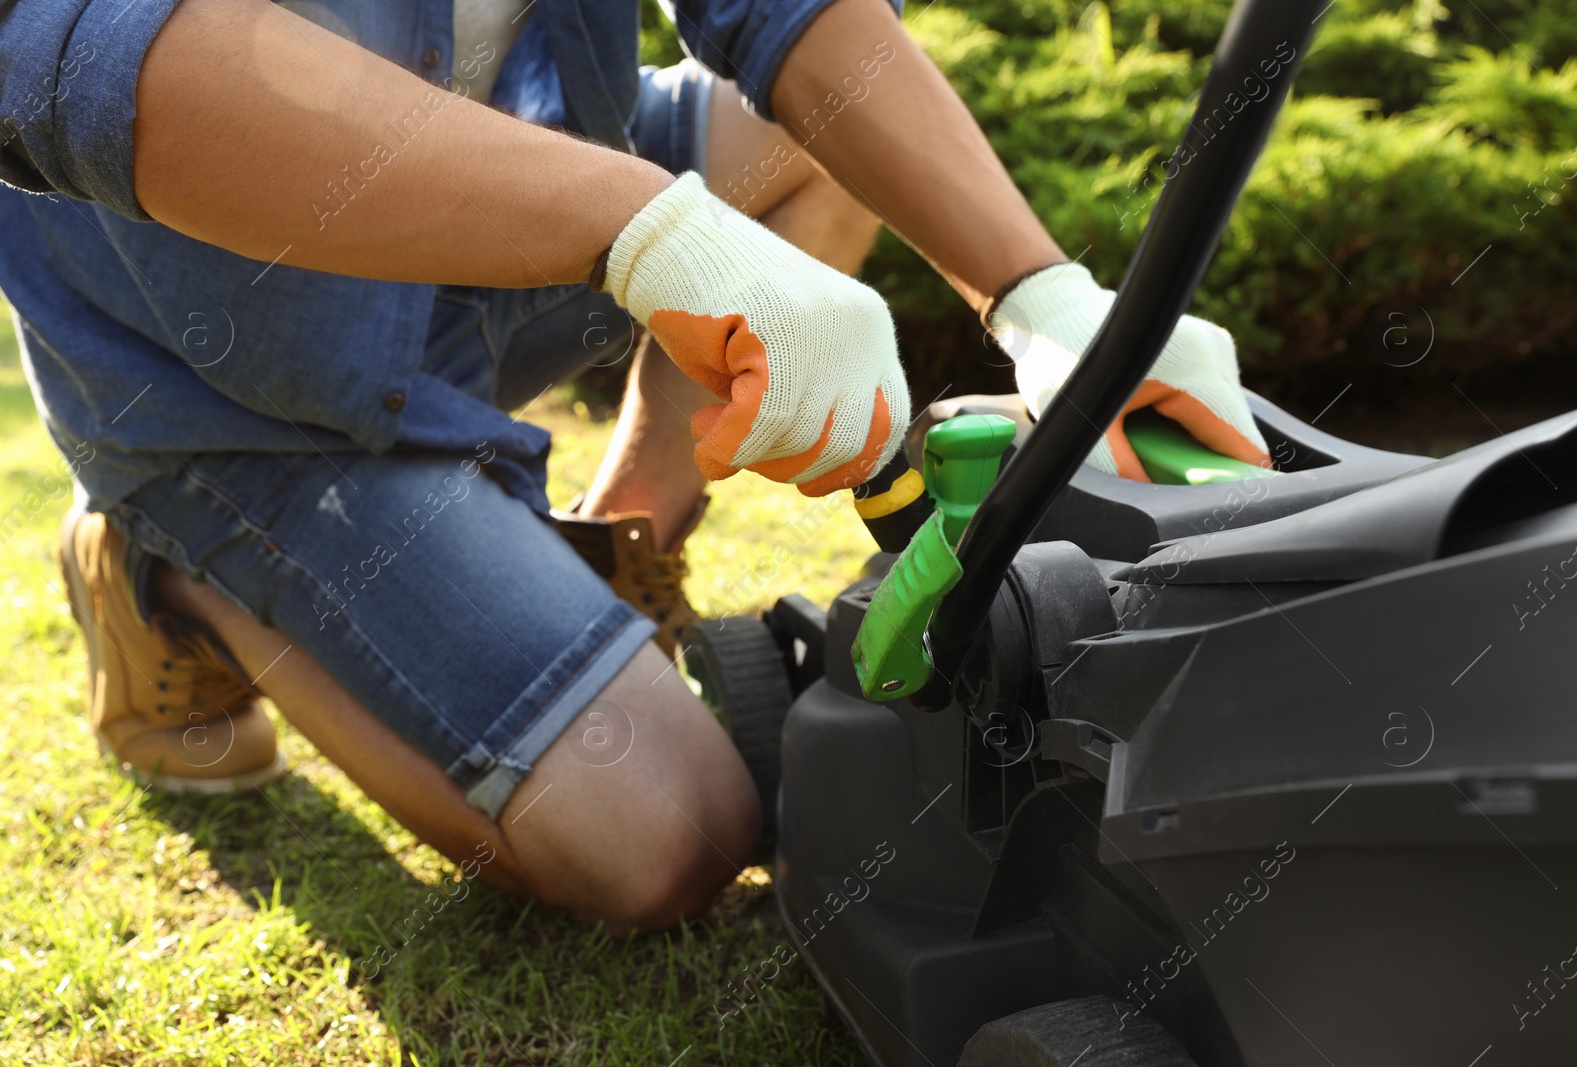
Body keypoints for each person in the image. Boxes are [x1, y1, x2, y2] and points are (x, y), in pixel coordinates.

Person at [0, 0, 1269, 931]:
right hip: (233, 392)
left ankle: (626, 533)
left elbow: (786, 16)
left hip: (496, 206)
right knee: (669, 835)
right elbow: (74, 58)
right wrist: (646, 233)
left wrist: (1039, 294)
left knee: (824, 137)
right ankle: (176, 570)